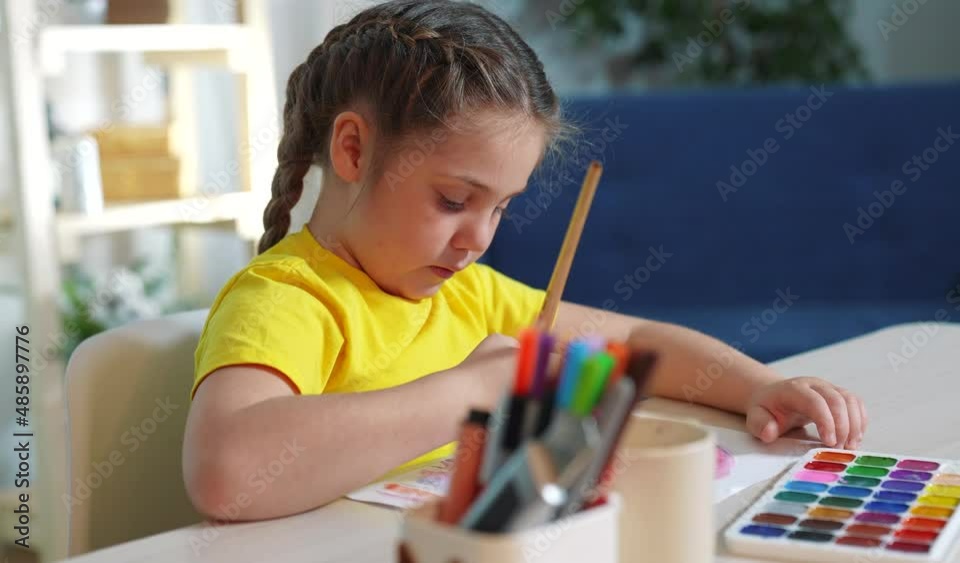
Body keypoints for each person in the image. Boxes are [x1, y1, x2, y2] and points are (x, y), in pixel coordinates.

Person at [182, 0, 867, 522]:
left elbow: (639, 344)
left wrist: (754, 387)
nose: (478, 237)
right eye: (454, 199)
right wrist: (471, 392)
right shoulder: (289, 299)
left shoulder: (472, 295)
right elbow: (227, 469)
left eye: (502, 207)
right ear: (355, 152)